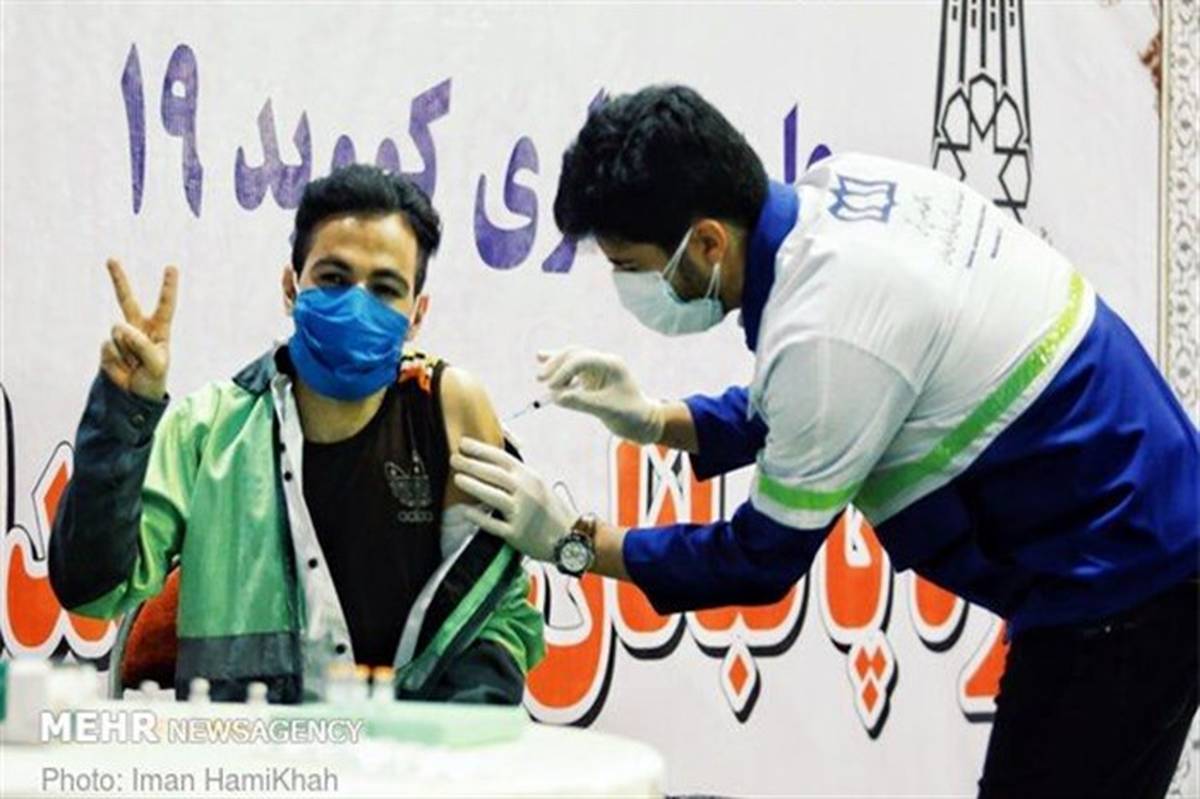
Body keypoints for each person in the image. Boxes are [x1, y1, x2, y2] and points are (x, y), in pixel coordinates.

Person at [451, 85, 1200, 796]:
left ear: (707, 242)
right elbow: (824, 398)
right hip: (1141, 530)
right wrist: (656, 419)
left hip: (1123, 583)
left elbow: (758, 557)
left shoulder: (829, 329)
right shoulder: (835, 199)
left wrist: (575, 542)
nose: (628, 287)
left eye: (630, 268)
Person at [50, 164, 543, 704]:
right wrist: (125, 410)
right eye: (333, 278)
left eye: (385, 289)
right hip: (245, 750)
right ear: (291, 287)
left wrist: (454, 729)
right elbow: (92, 592)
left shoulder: (447, 408)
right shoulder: (207, 429)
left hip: (406, 751)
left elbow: (494, 614)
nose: (357, 304)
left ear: (417, 314)